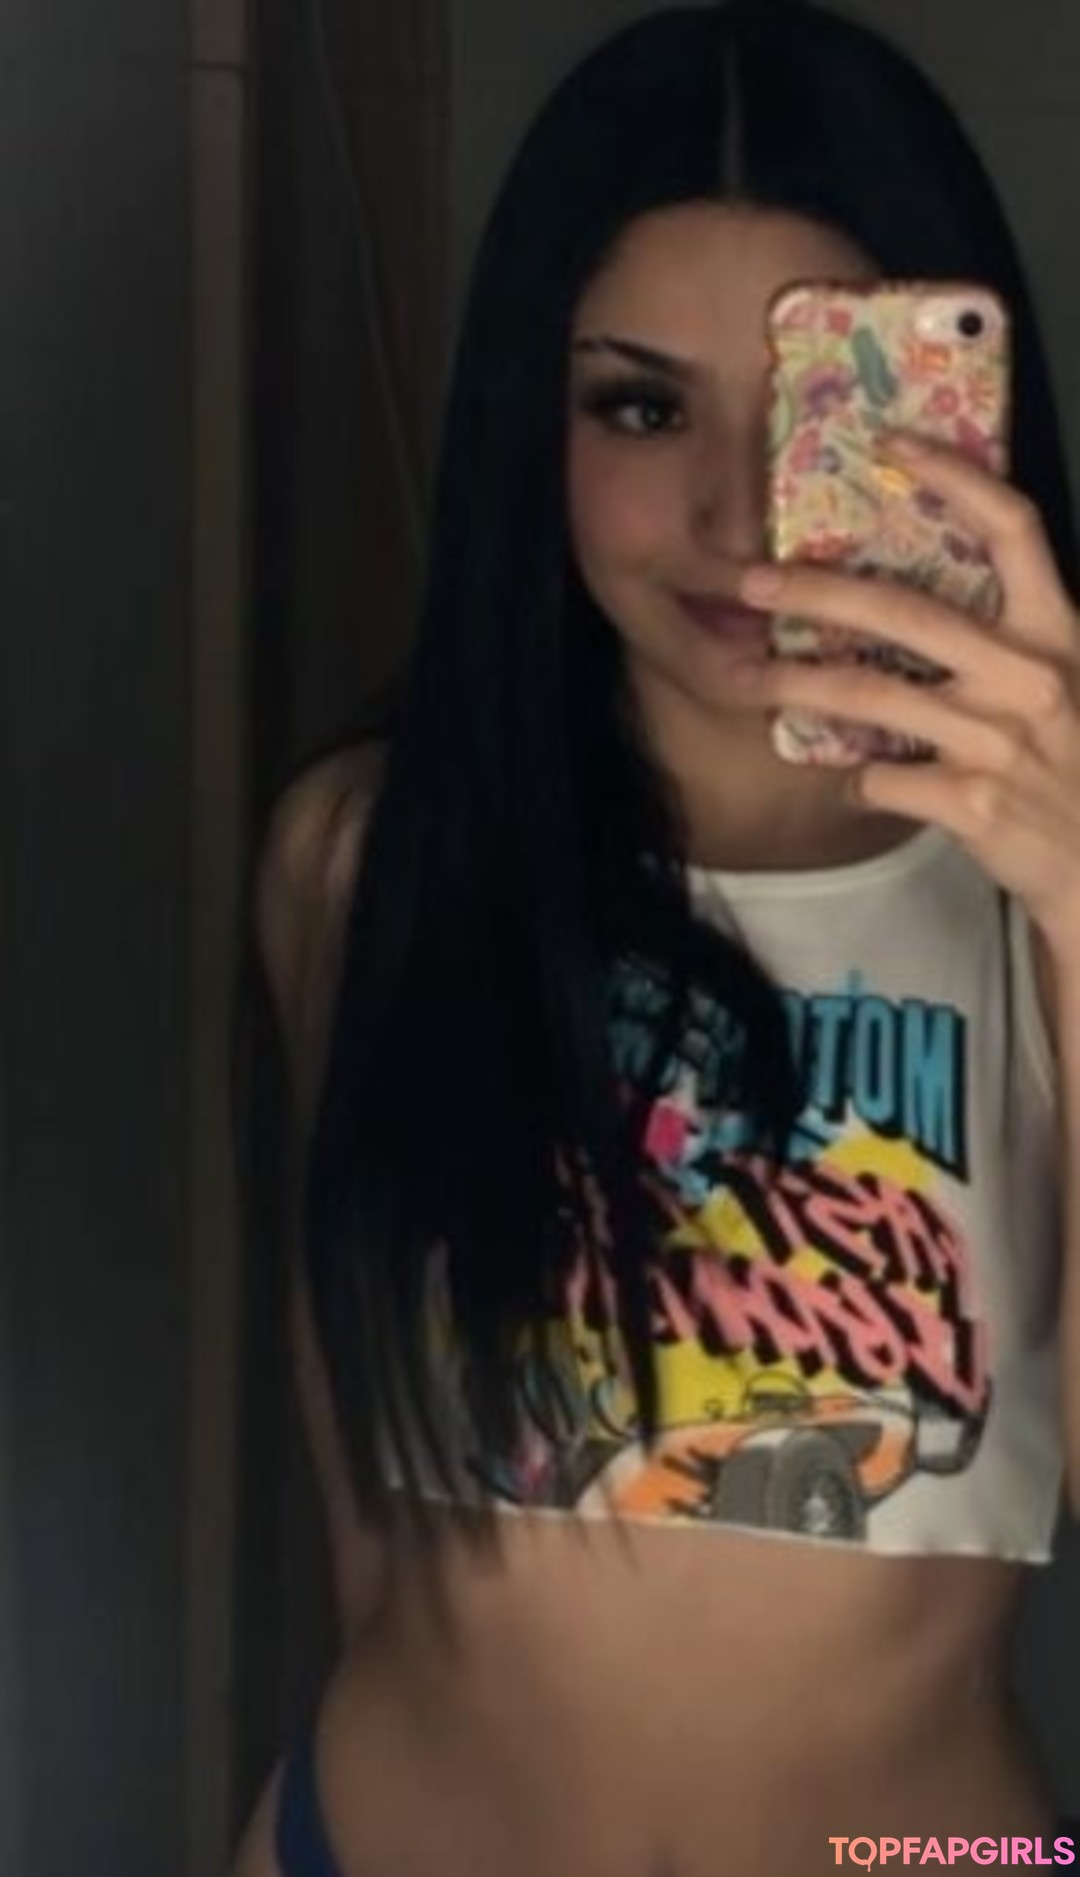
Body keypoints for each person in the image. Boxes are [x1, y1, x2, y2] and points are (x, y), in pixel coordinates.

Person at [233, 3, 1080, 1872]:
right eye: (641, 404)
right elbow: (365, 1466)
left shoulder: (1047, 889)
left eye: (821, 410)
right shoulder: (362, 860)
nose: (737, 508)